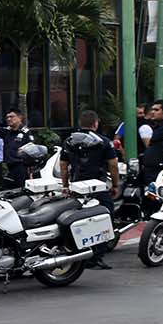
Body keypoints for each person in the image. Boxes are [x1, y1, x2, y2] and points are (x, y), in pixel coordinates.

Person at [59, 108, 120, 268]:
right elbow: (113, 165)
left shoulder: (70, 140)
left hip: (76, 186)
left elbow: (63, 166)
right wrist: (115, 185)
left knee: (77, 218)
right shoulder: (104, 141)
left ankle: (78, 252)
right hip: (97, 188)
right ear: (96, 123)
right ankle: (96, 256)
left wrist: (65, 185)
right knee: (104, 217)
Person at [1, 109, 36, 187]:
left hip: (21, 167)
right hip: (9, 167)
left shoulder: (26, 132)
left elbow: (32, 151)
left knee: (21, 189)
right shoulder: (7, 131)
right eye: (7, 117)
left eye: (11, 117)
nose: (9, 119)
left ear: (20, 118)